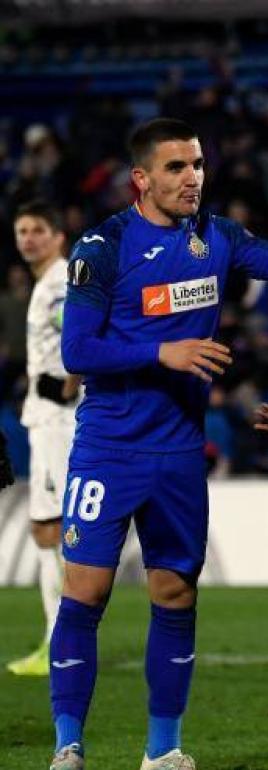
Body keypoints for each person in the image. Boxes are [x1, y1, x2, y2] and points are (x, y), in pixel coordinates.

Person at [51, 117, 268, 770]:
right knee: (86, 592)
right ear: (141, 179)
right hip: (109, 448)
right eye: (176, 168)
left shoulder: (217, 237)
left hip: (180, 455)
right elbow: (77, 349)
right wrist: (164, 351)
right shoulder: (101, 249)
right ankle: (67, 747)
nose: (192, 178)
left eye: (197, 165)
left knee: (176, 595)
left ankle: (163, 752)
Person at [7, 200, 78, 677]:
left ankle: (61, 641)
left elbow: (80, 338)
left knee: (57, 529)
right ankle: (57, 637)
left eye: (36, 230)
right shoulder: (44, 285)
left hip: (59, 420)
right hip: (43, 416)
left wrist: (69, 383)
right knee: (45, 529)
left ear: (57, 236)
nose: (27, 239)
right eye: (20, 231)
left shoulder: (61, 284)